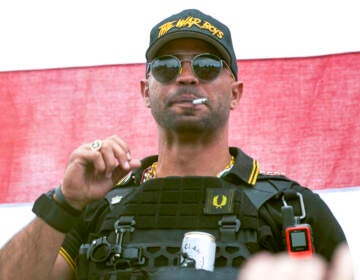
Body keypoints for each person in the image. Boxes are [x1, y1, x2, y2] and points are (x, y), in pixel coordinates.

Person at [0, 9, 348, 280]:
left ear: (235, 94)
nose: (186, 75)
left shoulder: (292, 209)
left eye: (208, 65)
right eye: (166, 66)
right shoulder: (95, 209)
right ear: (145, 91)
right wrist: (64, 202)